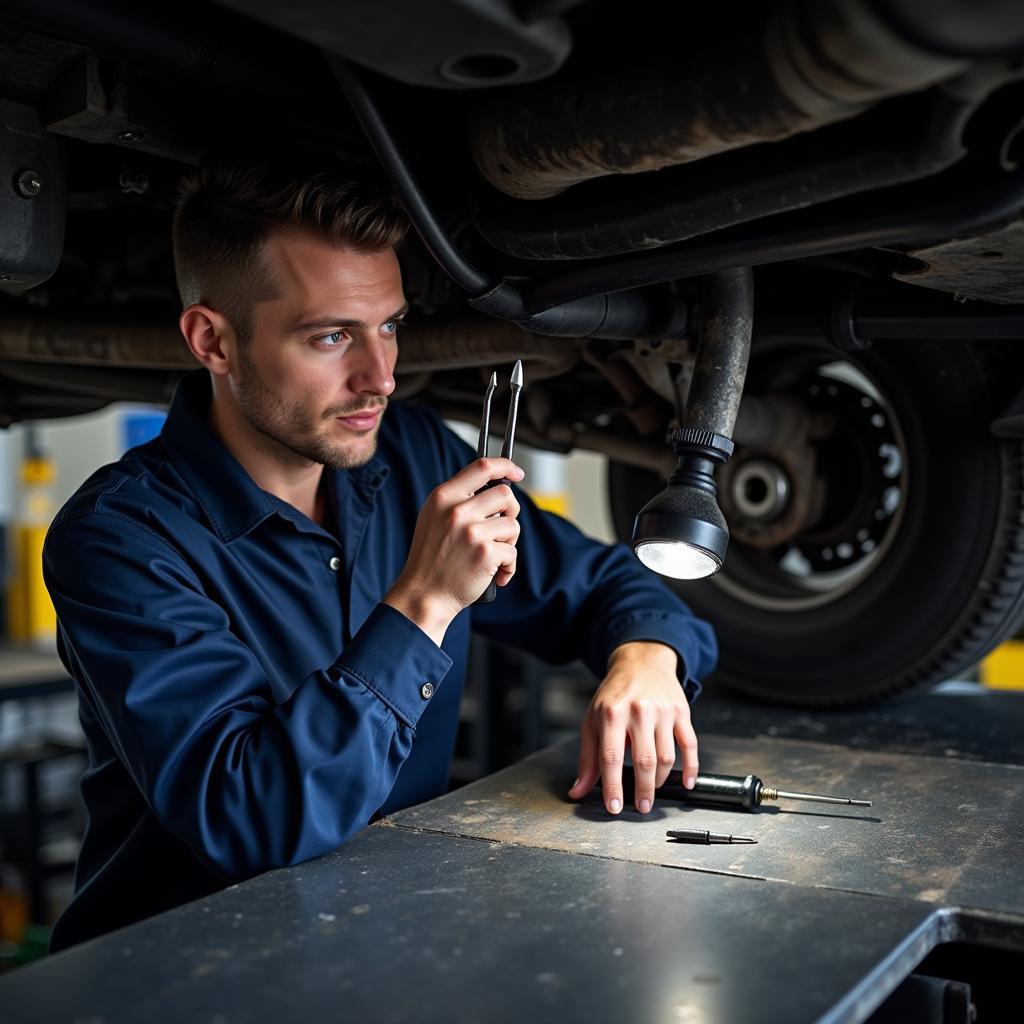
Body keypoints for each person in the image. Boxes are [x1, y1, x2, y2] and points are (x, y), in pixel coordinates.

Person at [42, 157, 717, 951]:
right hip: (179, 978)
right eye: (331, 336)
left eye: (389, 325)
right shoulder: (122, 538)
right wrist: (422, 606)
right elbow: (254, 817)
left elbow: (606, 585)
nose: (381, 377)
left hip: (379, 952)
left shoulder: (415, 458)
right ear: (213, 342)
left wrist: (645, 659)